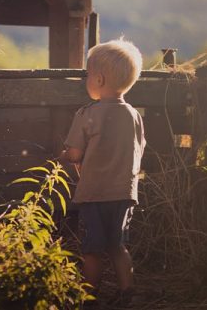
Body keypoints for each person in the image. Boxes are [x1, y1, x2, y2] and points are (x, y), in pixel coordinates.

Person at [61, 39, 146, 304]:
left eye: (87, 74)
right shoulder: (133, 115)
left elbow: (75, 153)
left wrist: (62, 157)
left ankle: (88, 295)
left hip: (94, 193)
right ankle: (127, 291)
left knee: (92, 249)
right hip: (123, 192)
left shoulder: (87, 114)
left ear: (98, 79)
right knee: (117, 245)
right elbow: (140, 148)